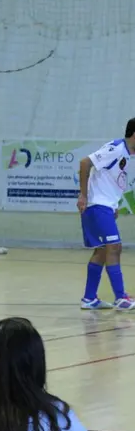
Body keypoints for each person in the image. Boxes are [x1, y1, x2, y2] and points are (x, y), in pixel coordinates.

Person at [77, 120, 135, 311]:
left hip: (105, 207)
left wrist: (113, 205)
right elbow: (85, 163)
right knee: (114, 247)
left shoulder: (126, 154)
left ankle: (89, 298)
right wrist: (83, 195)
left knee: (102, 250)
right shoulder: (116, 148)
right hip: (97, 206)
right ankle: (120, 298)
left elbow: (110, 181)